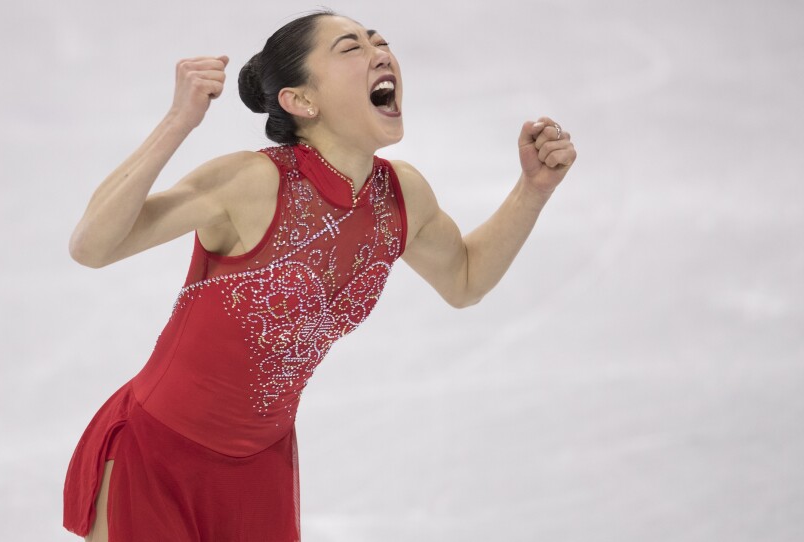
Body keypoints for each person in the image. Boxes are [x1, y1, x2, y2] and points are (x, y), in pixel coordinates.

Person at [62, 8, 576, 542]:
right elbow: (91, 246)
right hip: (158, 455)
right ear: (301, 100)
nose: (380, 53)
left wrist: (532, 190)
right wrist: (179, 121)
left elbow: (465, 279)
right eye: (351, 48)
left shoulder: (399, 198)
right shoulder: (251, 182)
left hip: (262, 470)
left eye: (380, 42)